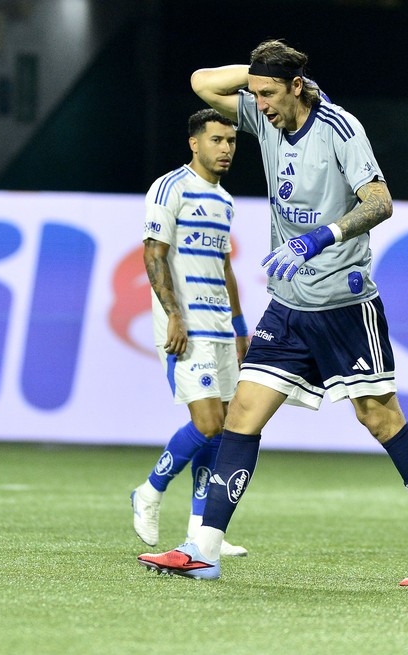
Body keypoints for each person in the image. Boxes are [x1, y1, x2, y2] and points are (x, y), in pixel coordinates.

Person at [138, 39, 408, 586]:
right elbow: (201, 81)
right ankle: (204, 549)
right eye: (255, 93)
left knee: (379, 419)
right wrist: (262, 72)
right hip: (289, 305)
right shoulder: (265, 114)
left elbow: (380, 201)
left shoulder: (340, 128)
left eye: (269, 93)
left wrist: (321, 237)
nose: (258, 104)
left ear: (297, 88)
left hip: (344, 304)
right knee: (242, 415)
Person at [130, 109, 250, 558]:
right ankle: (148, 491)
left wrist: (239, 328)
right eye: (217, 140)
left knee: (220, 431)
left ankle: (201, 532)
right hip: (185, 325)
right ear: (194, 143)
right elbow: (153, 254)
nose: (225, 149)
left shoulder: (226, 201)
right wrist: (173, 314)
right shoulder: (169, 187)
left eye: (232, 142)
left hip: (220, 326)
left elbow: (224, 267)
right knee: (209, 422)